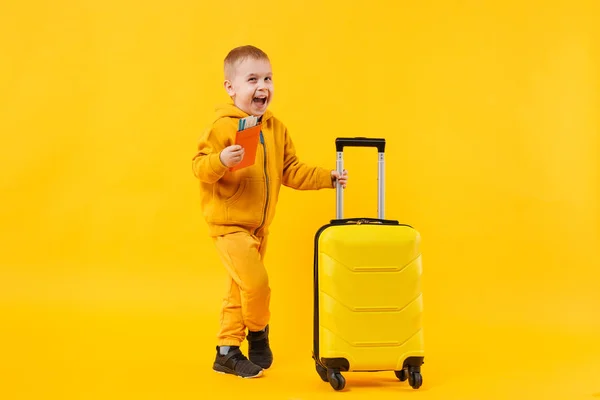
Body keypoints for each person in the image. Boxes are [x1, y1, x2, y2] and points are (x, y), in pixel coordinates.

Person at [192, 45, 348, 378]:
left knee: (239, 289)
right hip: (228, 224)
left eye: (268, 78)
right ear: (230, 88)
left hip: (259, 228)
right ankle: (259, 332)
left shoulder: (274, 129)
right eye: (252, 79)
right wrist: (221, 161)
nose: (263, 86)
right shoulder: (222, 127)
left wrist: (327, 178)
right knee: (257, 284)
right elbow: (199, 167)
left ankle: (227, 352)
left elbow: (290, 169)